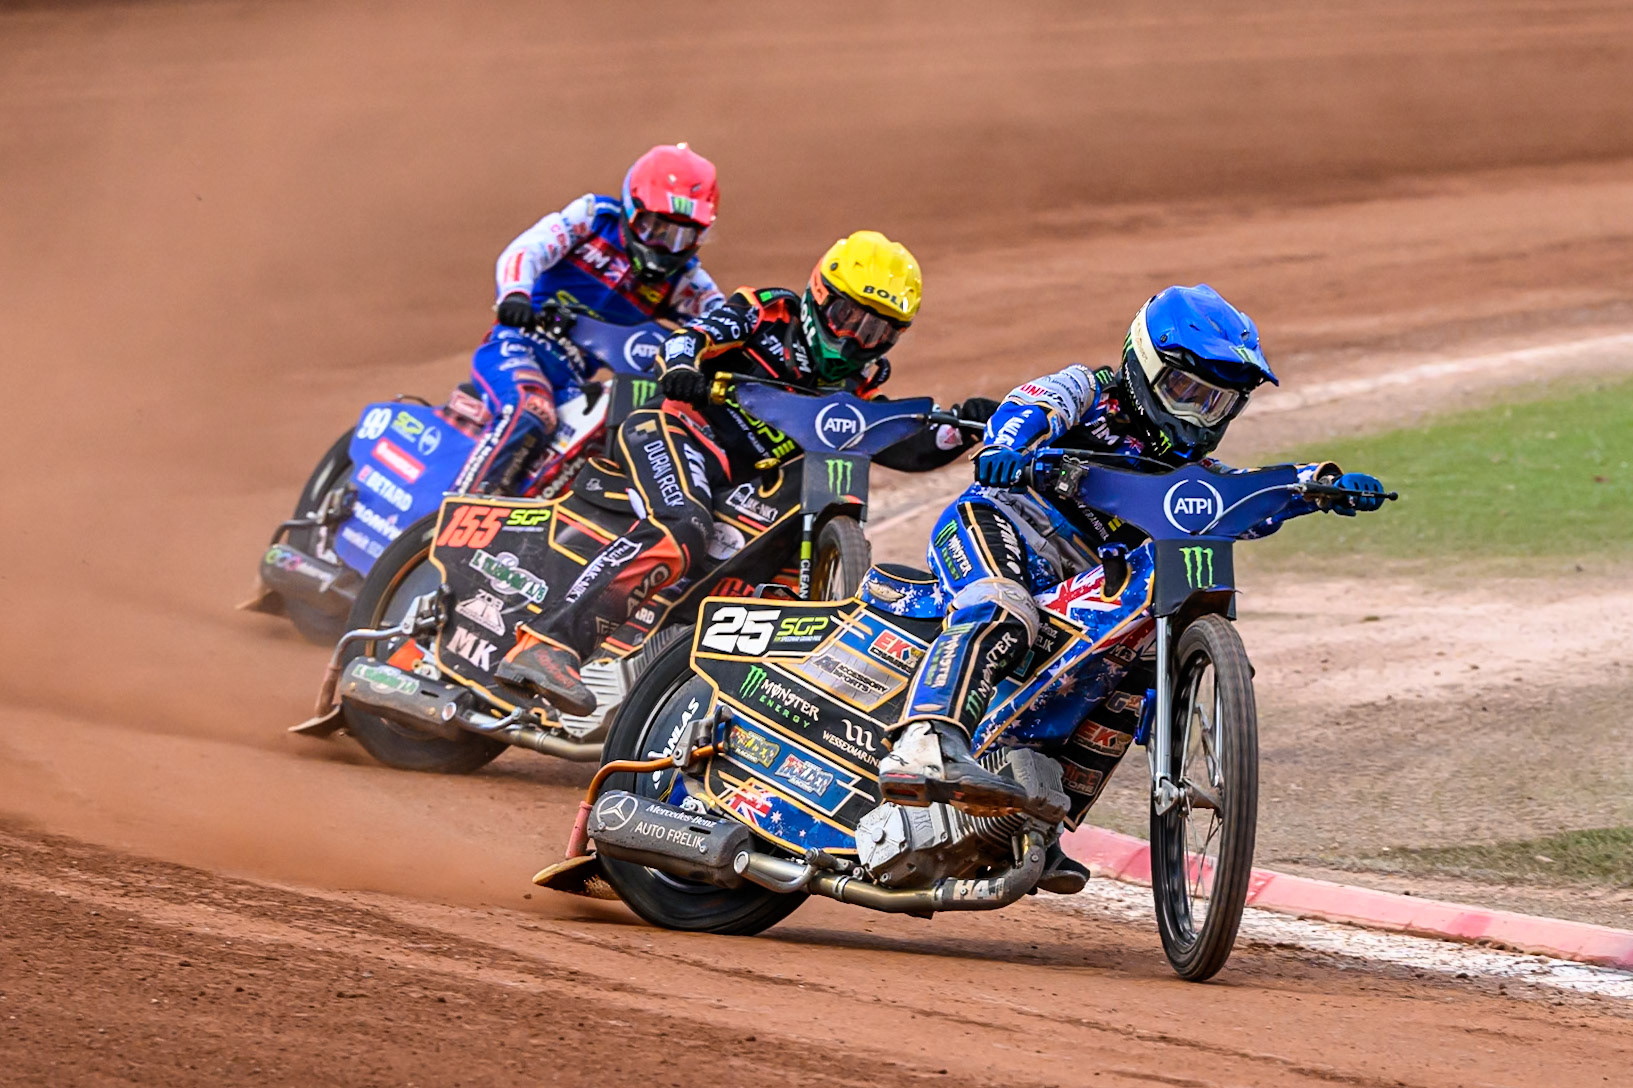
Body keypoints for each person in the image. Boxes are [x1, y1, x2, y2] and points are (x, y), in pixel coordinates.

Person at [877, 284, 1387, 823]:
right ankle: (924, 745)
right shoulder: (1088, 389)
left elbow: (1242, 495)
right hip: (1000, 522)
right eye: (1187, 391)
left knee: (1137, 661)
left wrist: (1319, 485)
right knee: (1003, 608)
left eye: (1215, 403)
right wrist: (1007, 448)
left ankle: (1041, 822)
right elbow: (1034, 403)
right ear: (1144, 366)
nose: (1198, 415)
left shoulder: (1186, 475)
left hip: (1087, 574)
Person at [495, 230, 999, 714]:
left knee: (769, 569)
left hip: (742, 485)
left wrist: (968, 426)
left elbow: (902, 445)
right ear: (820, 295)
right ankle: (546, 645)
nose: (853, 340)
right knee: (683, 527)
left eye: (875, 331)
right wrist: (685, 368)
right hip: (676, 431)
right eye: (848, 317)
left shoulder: (860, 382)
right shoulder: (764, 311)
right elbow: (692, 337)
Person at [458, 143, 726, 493]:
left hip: (573, 380)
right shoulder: (592, 218)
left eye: (682, 236)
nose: (665, 246)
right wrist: (515, 293)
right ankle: (459, 508)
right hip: (516, 347)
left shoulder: (687, 281)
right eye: (654, 227)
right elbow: (528, 250)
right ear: (632, 209)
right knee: (531, 410)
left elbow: (722, 320)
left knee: (606, 431)